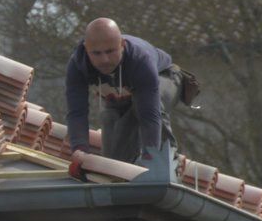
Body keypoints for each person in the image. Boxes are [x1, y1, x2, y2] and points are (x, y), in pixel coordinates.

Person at [64, 18, 183, 166]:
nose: (105, 60)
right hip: (124, 95)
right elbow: (77, 113)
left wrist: (150, 159)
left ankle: (168, 161)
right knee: (114, 158)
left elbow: (149, 116)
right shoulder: (77, 65)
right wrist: (79, 152)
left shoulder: (141, 60)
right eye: (96, 53)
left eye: (110, 51)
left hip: (166, 78)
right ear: (86, 49)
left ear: (122, 45)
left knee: (142, 108)